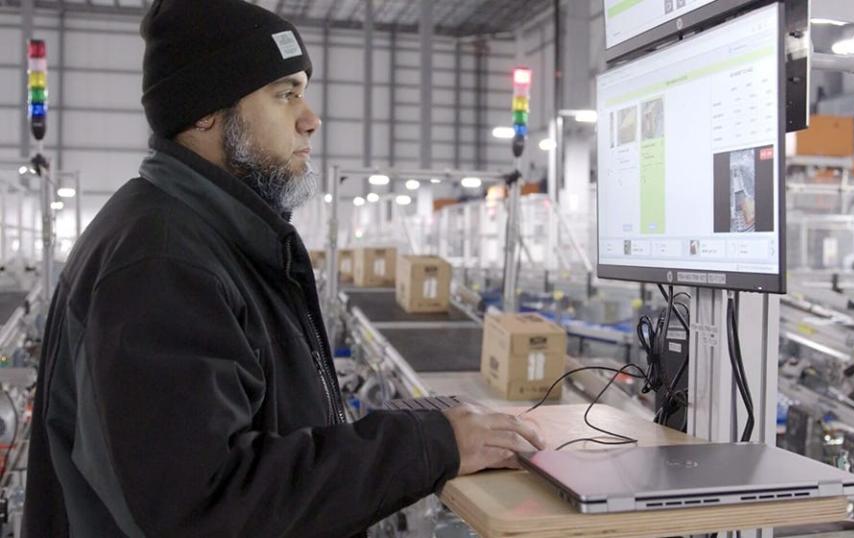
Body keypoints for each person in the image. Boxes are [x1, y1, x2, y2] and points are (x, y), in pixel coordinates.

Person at [22, 1, 544, 536]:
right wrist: (429, 445)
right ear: (204, 111)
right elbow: (204, 508)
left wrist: (422, 425)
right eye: (285, 93)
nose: (310, 118)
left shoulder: (215, 239)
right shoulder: (160, 263)